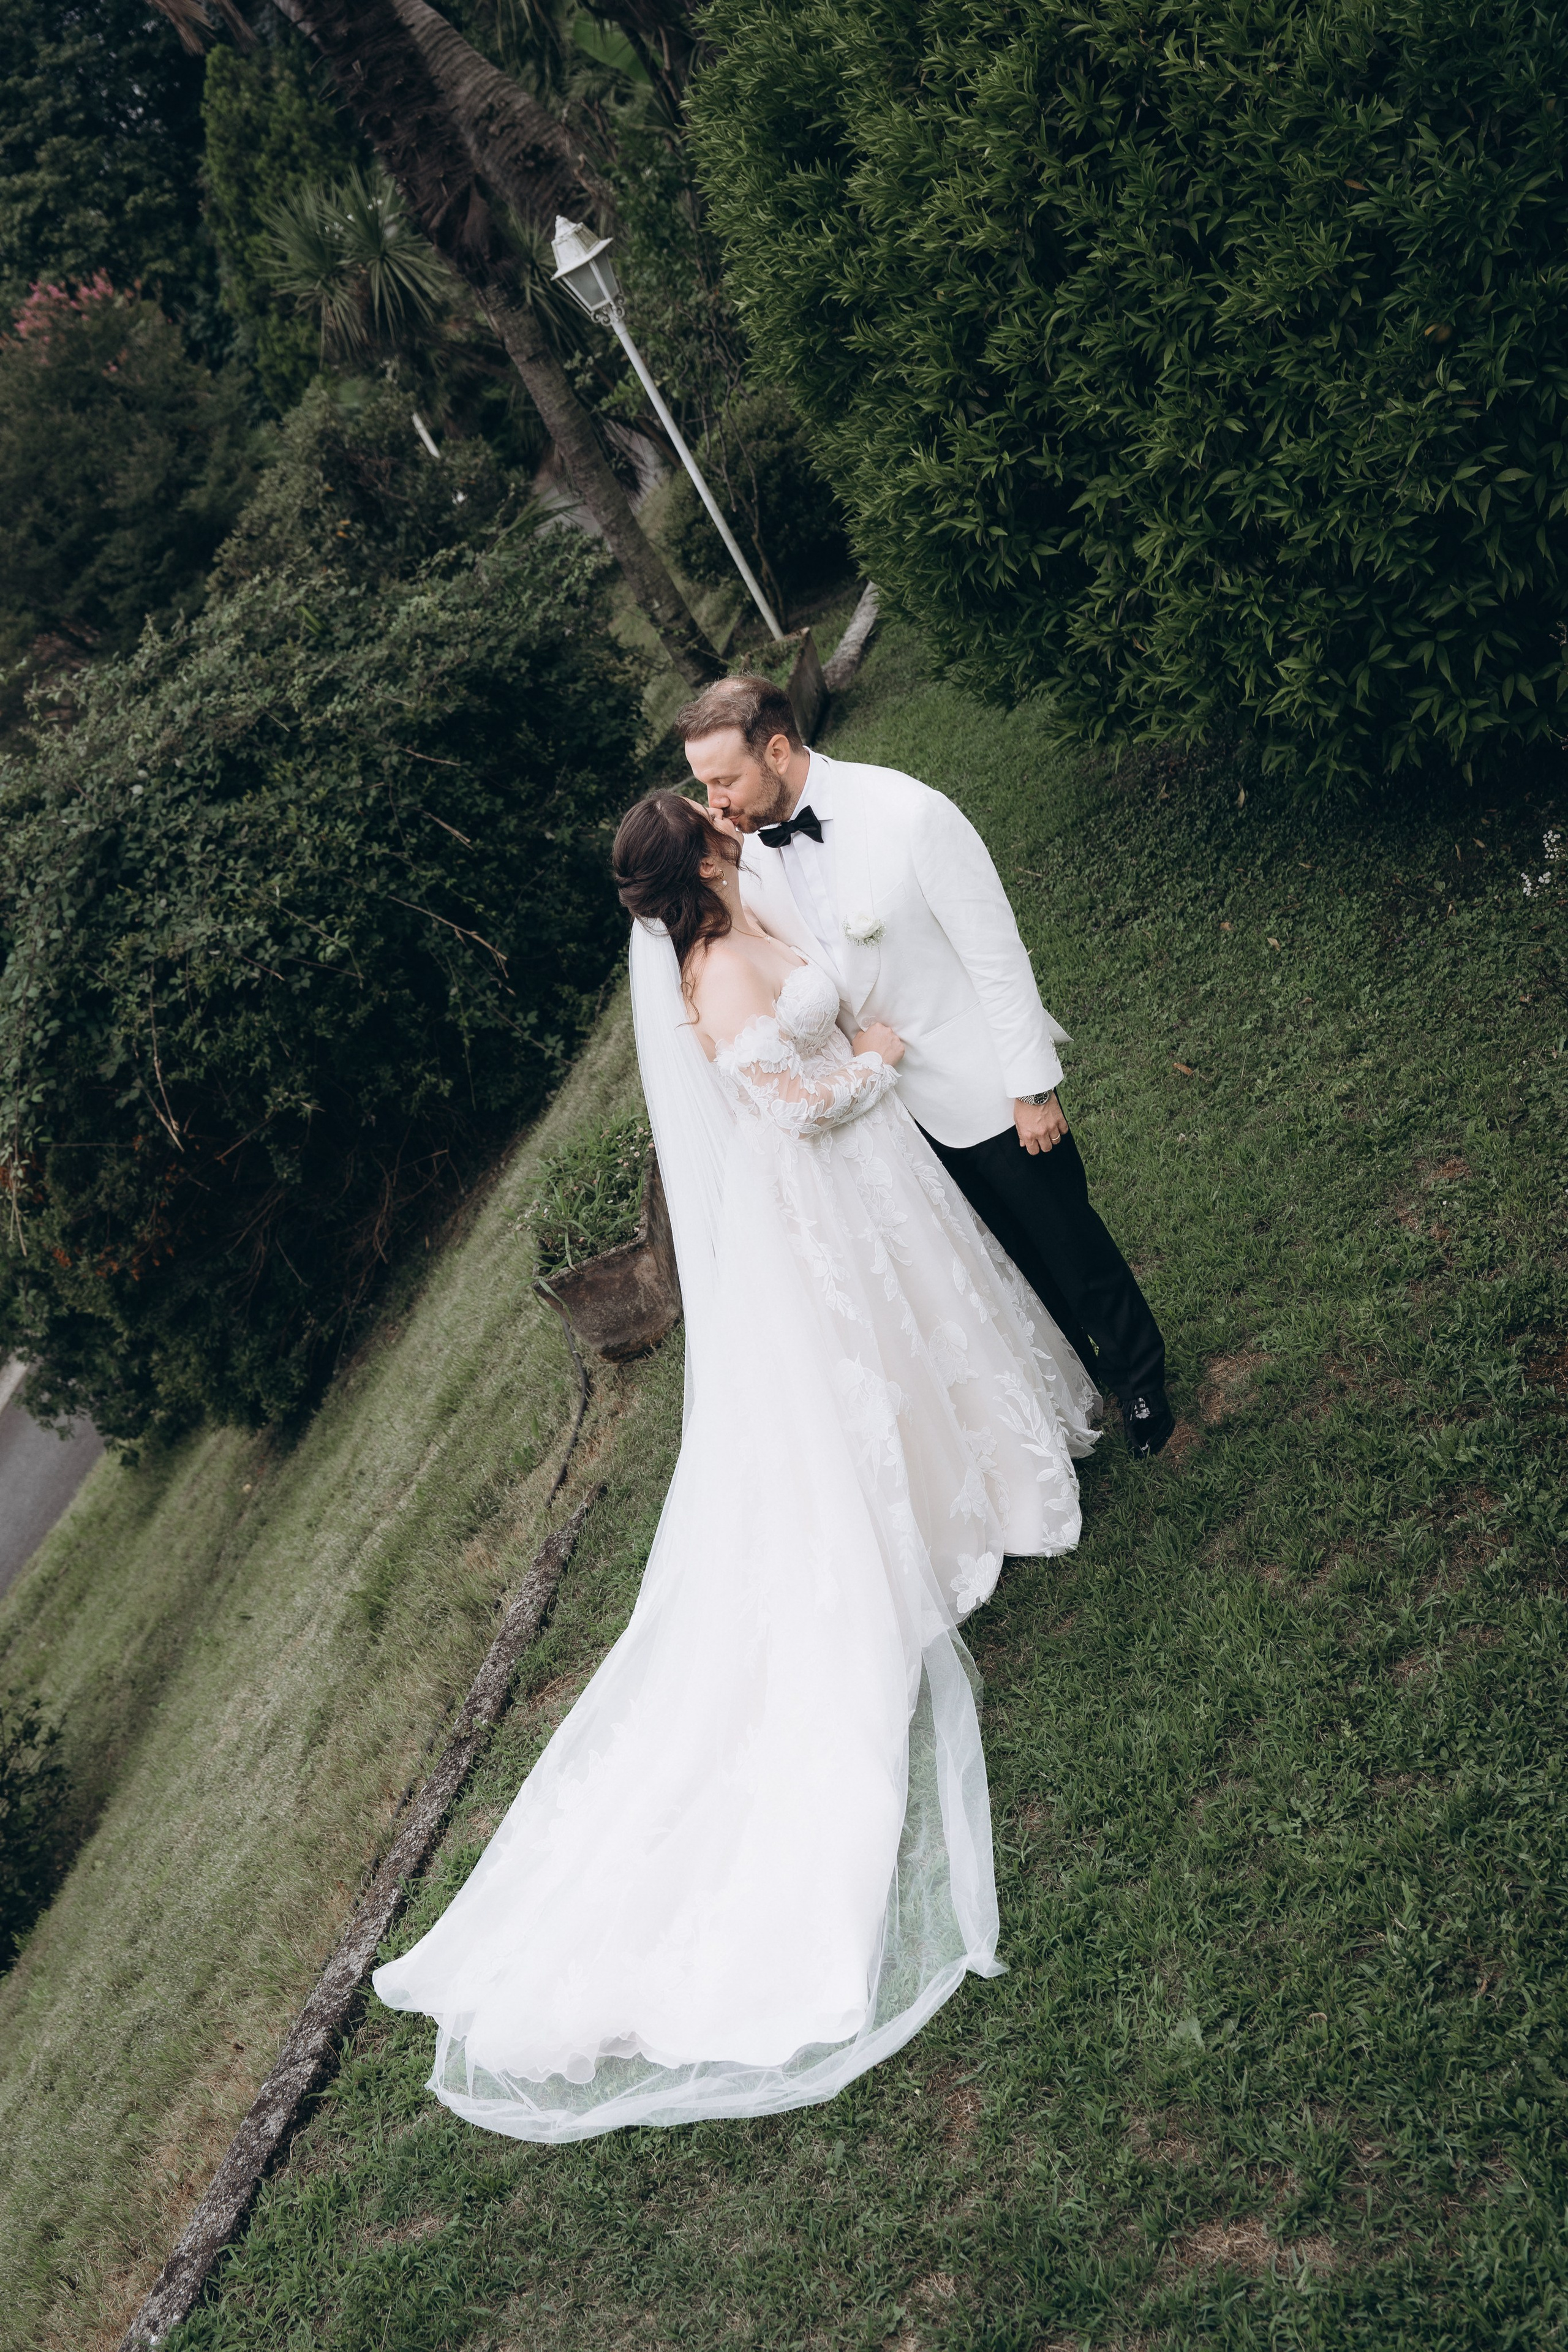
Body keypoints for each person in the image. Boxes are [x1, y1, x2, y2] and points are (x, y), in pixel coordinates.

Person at [371, 788, 1101, 2143]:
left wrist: (860, 1029)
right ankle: (938, 1517)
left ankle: (991, 1473)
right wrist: (873, 1055)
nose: (731, 832)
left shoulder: (749, 907)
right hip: (828, 1186)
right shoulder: (705, 981)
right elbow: (788, 1105)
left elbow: (809, 980)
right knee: (878, 1361)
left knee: (933, 1327)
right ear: (694, 872)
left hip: (879, 1175)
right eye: (712, 833)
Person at [680, 674, 1174, 1458]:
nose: (716, 801)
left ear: (777, 750)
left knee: (1067, 1242)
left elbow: (997, 956)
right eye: (703, 785)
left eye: (724, 779)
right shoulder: (749, 857)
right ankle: (1078, 1378)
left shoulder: (907, 812)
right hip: (881, 1120)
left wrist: (1032, 1086)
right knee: (1000, 1260)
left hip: (982, 1086)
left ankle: (1141, 1380)